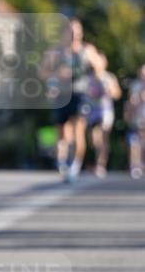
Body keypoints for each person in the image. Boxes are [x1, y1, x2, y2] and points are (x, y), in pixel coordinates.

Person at [39, 18, 99, 181]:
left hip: (80, 94)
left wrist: (94, 64)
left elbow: (100, 68)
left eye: (77, 31)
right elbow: (42, 72)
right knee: (63, 133)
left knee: (78, 128)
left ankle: (75, 166)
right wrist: (56, 75)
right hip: (61, 95)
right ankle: (62, 161)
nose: (74, 35)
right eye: (71, 31)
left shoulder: (86, 50)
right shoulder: (55, 52)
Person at [84, 53, 121, 177]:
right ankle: (98, 161)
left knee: (103, 137)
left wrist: (111, 91)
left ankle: (100, 165)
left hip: (105, 111)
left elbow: (117, 93)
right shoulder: (88, 78)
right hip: (91, 111)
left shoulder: (109, 77)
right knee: (93, 140)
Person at [125, 64, 145, 179]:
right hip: (136, 120)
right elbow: (130, 103)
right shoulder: (135, 86)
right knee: (134, 143)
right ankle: (135, 166)